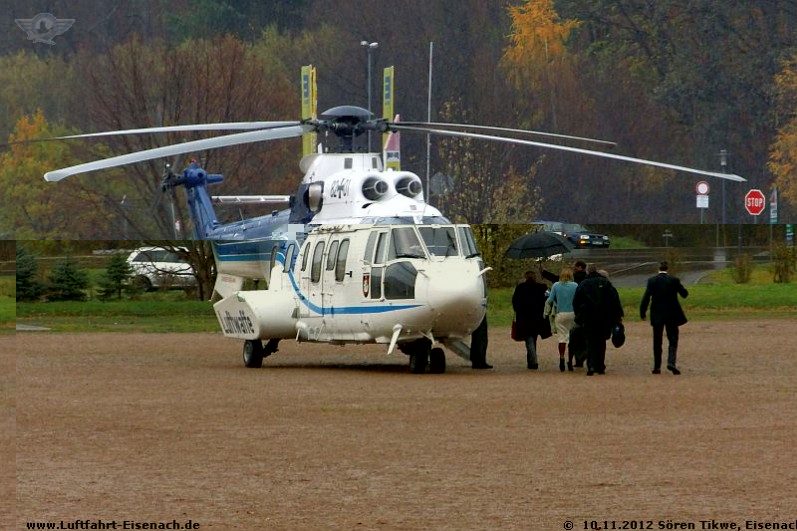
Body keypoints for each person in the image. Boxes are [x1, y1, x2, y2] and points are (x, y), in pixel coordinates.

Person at [573, 263, 624, 376]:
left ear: (587, 272)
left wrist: (578, 315)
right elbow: (614, 299)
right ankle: (600, 366)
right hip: (604, 316)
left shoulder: (583, 283)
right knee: (601, 342)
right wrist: (618, 315)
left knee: (590, 341)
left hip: (588, 316)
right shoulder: (605, 283)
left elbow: (576, 301)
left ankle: (591, 366)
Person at [640, 261, 689, 375]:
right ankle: (671, 362)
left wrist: (643, 312)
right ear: (668, 269)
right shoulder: (674, 280)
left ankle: (657, 367)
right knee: (673, 339)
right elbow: (684, 294)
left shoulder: (652, 281)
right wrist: (682, 290)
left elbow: (646, 297)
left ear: (658, 268)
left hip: (657, 314)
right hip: (671, 314)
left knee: (657, 341)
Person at [512, 270, 549, 370]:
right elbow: (547, 300)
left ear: (525, 277)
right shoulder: (541, 287)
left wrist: (518, 310)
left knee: (529, 339)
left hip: (524, 318)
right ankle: (531, 360)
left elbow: (515, 302)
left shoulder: (520, 288)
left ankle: (533, 361)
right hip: (537, 318)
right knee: (533, 338)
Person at [547, 267, 578, 372]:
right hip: (573, 314)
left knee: (562, 338)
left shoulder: (556, 285)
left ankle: (561, 357)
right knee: (572, 338)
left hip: (560, 314)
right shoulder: (575, 285)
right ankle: (570, 360)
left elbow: (550, 300)